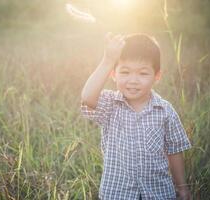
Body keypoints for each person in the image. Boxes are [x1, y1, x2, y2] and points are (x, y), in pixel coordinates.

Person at [80, 32, 192, 200]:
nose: (133, 80)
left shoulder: (165, 110)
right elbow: (87, 97)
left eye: (143, 73)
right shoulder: (110, 104)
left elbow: (174, 150)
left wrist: (182, 188)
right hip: (117, 193)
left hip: (158, 193)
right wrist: (108, 61)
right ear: (113, 74)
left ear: (157, 76)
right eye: (125, 72)